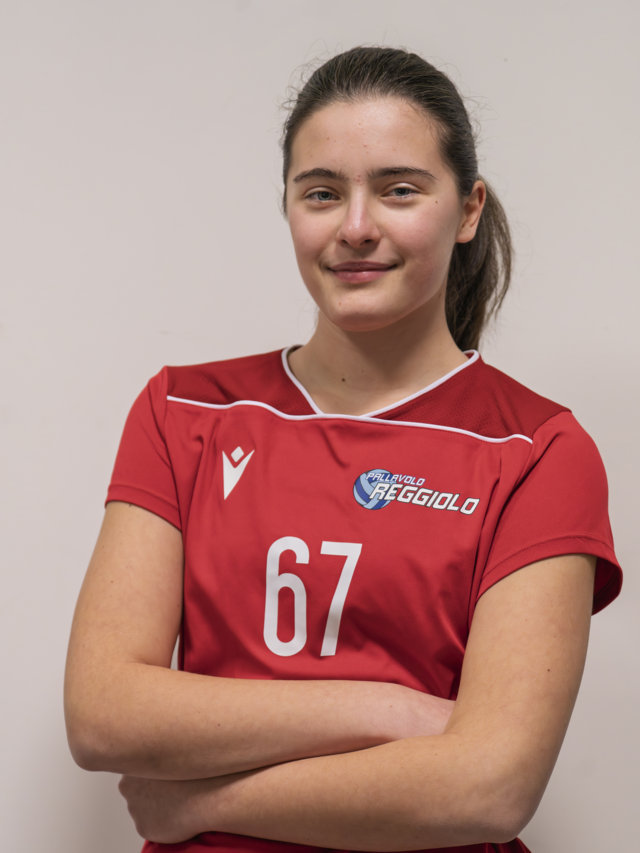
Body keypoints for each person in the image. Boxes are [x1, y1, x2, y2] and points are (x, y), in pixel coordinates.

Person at [64, 46, 622, 853]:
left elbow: (491, 787)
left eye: (400, 189)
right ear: (289, 207)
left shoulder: (539, 450)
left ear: (468, 209)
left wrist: (199, 803)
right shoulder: (183, 411)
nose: (356, 228)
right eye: (322, 193)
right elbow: (101, 712)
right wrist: (391, 708)